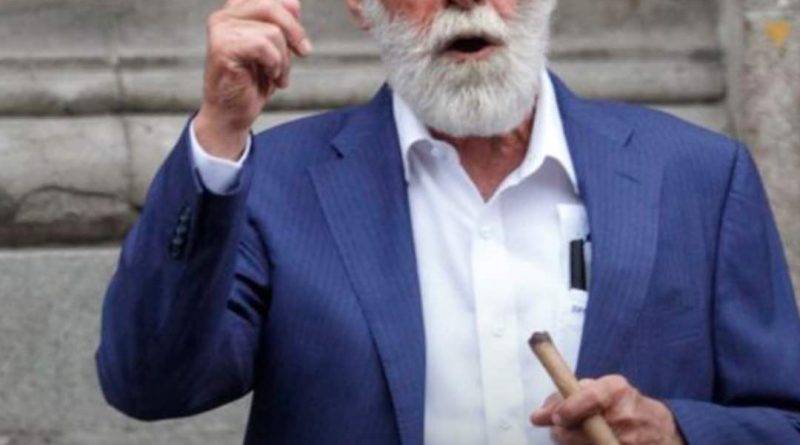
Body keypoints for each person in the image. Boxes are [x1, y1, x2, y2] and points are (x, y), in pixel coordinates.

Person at [96, 0, 800, 443]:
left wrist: (676, 431)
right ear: (361, 6)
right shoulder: (274, 182)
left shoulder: (698, 176)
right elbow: (149, 385)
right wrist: (220, 132)